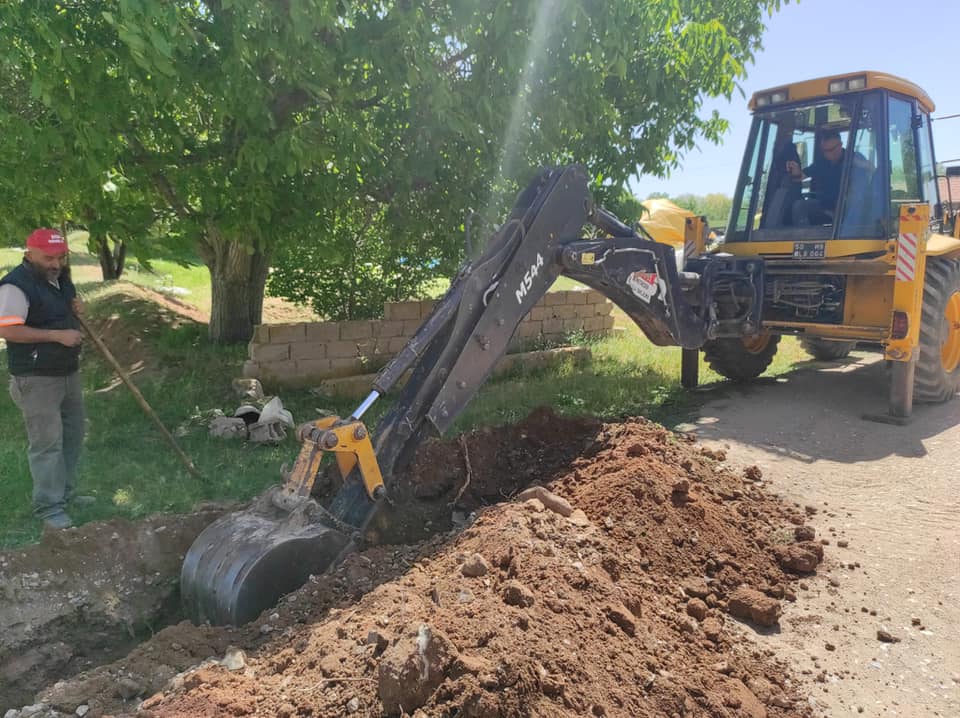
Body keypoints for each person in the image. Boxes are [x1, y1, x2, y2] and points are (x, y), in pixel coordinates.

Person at [0, 228, 90, 529]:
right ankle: (49, 508)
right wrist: (56, 336)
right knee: (47, 443)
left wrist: (76, 309)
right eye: (49, 258)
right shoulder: (15, 285)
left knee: (73, 435)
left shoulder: (61, 279)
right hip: (36, 377)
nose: (56, 264)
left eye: (60, 257)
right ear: (29, 254)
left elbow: (59, 311)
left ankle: (65, 493)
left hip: (67, 372)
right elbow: (7, 329)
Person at [786, 130, 871, 226]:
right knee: (799, 206)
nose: (827, 154)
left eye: (830, 150)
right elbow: (801, 176)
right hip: (825, 206)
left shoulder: (853, 157)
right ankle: (805, 234)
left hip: (848, 208)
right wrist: (796, 172)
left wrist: (862, 164)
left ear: (840, 145)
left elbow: (871, 170)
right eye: (824, 151)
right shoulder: (821, 162)